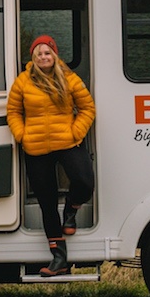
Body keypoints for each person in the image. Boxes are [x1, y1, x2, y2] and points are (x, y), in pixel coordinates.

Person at [7, 34, 95, 277]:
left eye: (47, 53)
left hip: (67, 141)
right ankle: (59, 258)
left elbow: (88, 108)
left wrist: (74, 131)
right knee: (47, 202)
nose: (43, 57)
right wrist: (21, 135)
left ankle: (71, 210)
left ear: (54, 55)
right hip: (36, 148)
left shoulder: (69, 79)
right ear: (33, 59)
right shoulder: (23, 81)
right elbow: (13, 111)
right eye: (38, 54)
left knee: (85, 181)